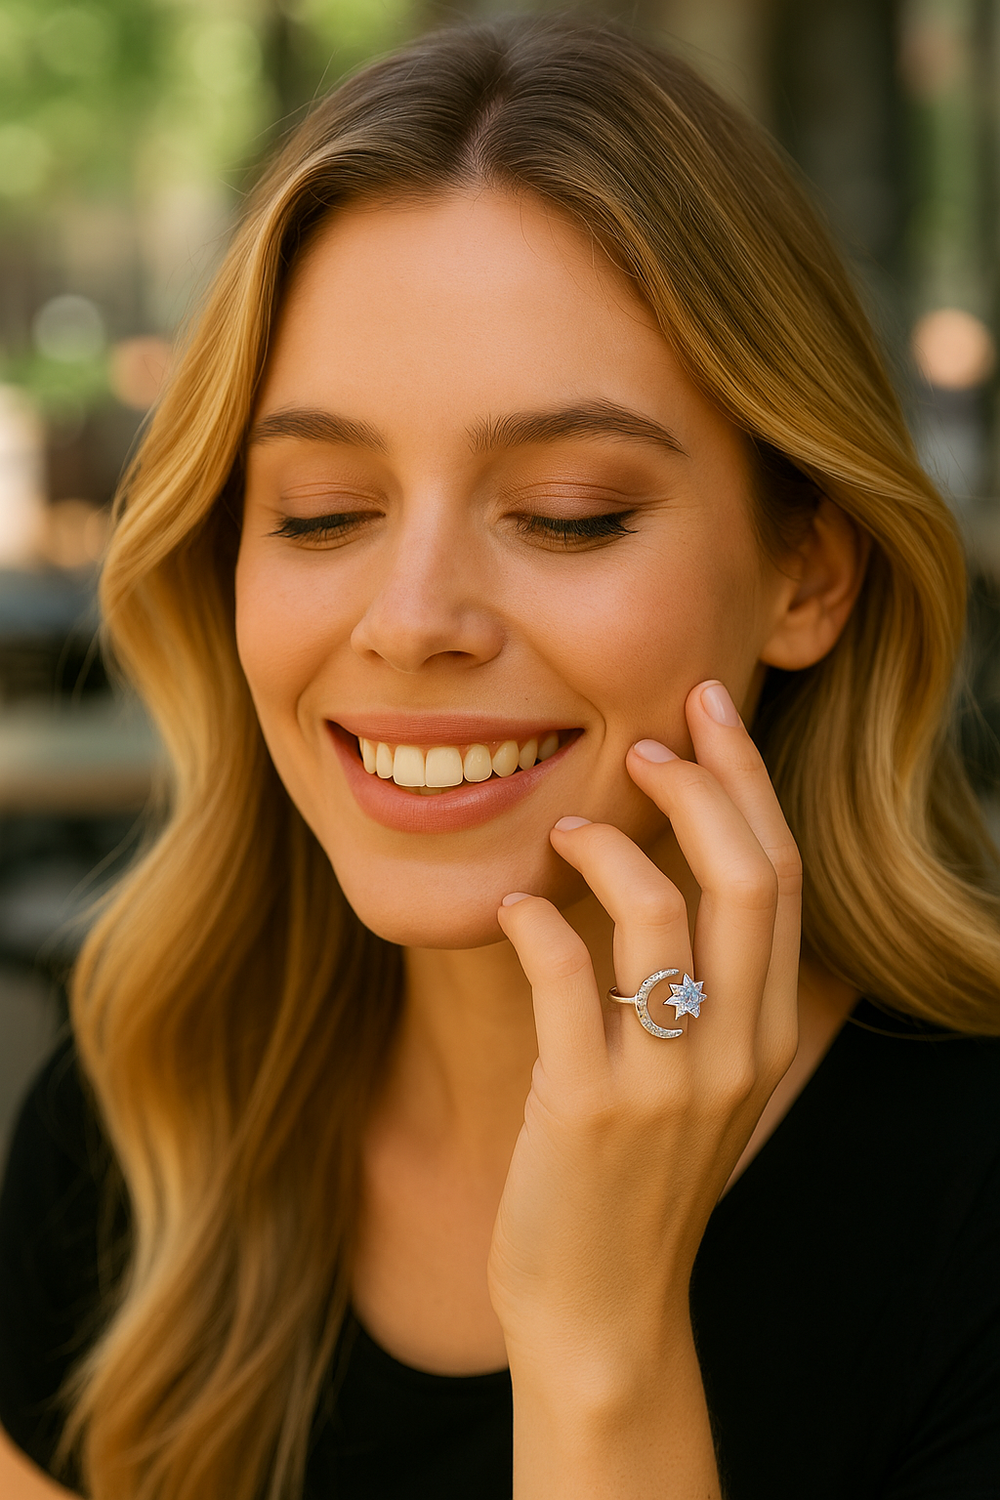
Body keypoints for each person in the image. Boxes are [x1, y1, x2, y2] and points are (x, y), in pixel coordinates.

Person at [1, 16, 998, 1500]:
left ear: (809, 573)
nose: (412, 621)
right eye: (322, 512)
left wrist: (601, 1338)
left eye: (570, 513)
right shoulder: (146, 1107)